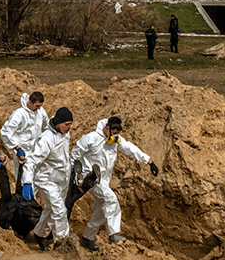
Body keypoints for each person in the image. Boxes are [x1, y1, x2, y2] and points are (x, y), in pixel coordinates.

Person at [71, 117, 158, 250]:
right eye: (114, 132)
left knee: (101, 208)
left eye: (118, 133)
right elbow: (75, 153)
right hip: (91, 178)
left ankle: (87, 238)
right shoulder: (91, 138)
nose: (116, 135)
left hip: (104, 180)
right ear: (107, 128)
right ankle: (114, 234)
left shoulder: (116, 140)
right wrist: (72, 170)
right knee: (111, 199)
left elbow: (130, 148)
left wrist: (149, 161)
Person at [22, 107, 74, 249]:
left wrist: (71, 166)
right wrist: (27, 182)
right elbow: (31, 161)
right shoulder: (46, 139)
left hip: (61, 180)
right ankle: (62, 243)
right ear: (58, 123)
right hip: (46, 179)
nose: (69, 127)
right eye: (66, 124)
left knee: (51, 210)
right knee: (59, 210)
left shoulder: (64, 134)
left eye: (70, 124)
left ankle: (39, 234)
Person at [0, 91, 49, 181]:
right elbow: (6, 132)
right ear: (30, 102)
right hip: (23, 153)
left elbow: (47, 125)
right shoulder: (19, 114)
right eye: (37, 106)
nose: (39, 108)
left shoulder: (40, 111)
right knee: (23, 180)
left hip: (36, 151)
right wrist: (17, 148)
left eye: (40, 106)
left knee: (37, 179)